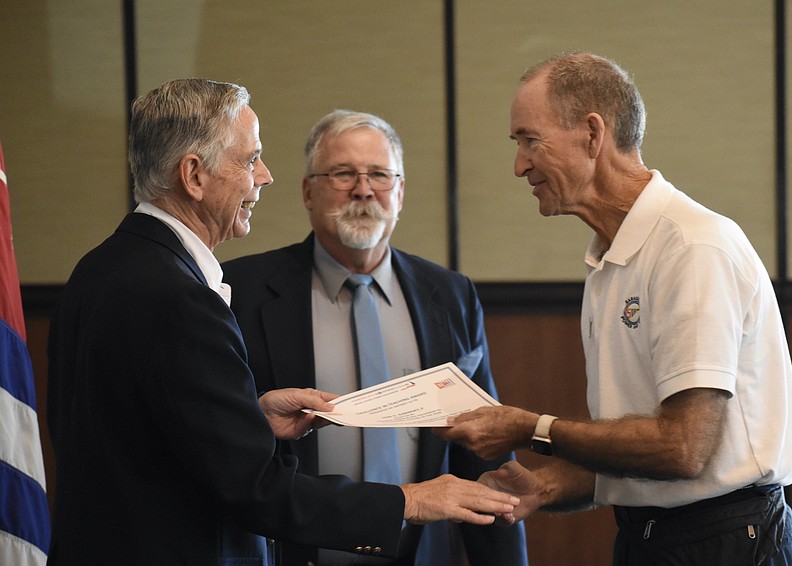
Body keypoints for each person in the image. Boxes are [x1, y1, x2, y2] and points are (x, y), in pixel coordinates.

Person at [46, 79, 518, 566]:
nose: (264, 176)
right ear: (193, 175)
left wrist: (251, 419)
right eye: (250, 159)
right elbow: (254, 488)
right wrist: (411, 501)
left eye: (380, 174)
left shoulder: (101, 268)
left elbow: (147, 436)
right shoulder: (183, 298)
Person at [439, 52, 792, 565]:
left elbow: (682, 449)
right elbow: (638, 452)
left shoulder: (692, 247)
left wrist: (530, 428)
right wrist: (541, 488)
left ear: (592, 134)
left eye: (529, 140)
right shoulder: (609, 259)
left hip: (726, 543)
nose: (519, 164)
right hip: (650, 538)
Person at [222, 109, 528, 566]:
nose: (363, 190)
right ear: (308, 191)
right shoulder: (241, 291)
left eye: (380, 175)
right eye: (343, 173)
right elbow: (227, 450)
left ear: (400, 193)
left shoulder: (450, 295)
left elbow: (482, 454)